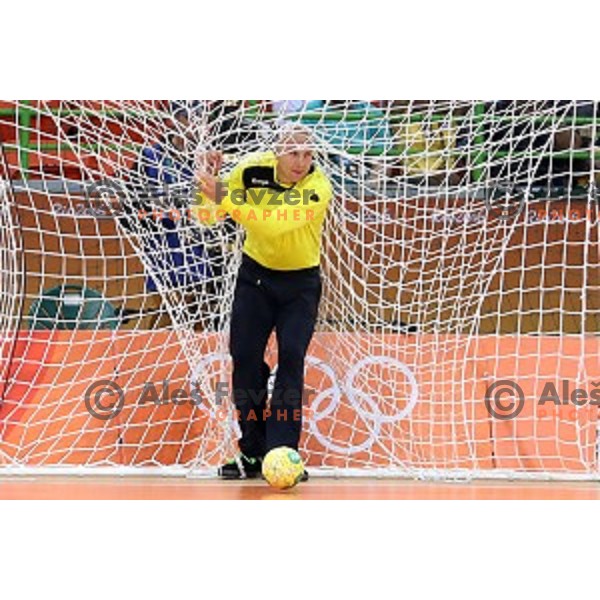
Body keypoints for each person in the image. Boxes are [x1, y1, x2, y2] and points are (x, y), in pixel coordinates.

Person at [192, 124, 333, 480]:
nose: (301, 162)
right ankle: (253, 452)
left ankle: (283, 452)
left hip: (300, 285)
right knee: (245, 361)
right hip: (255, 277)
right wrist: (207, 184)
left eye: (307, 154)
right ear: (276, 152)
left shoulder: (318, 187)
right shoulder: (251, 171)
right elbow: (207, 217)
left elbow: (272, 224)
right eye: (293, 153)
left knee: (291, 361)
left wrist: (224, 195)